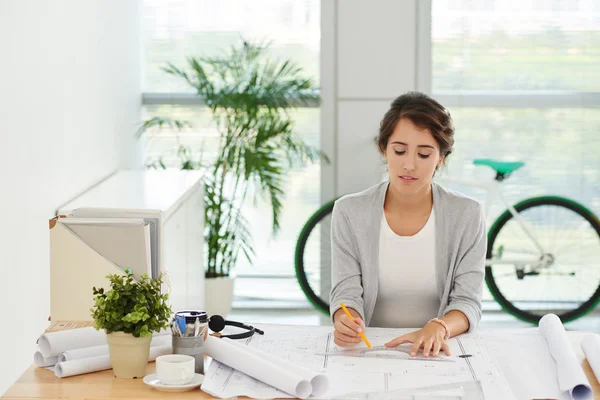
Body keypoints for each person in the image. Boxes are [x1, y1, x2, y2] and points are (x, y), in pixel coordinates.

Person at [330, 91, 486, 358]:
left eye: (424, 154)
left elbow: (468, 301)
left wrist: (439, 327)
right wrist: (346, 321)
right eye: (399, 151)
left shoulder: (467, 214)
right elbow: (346, 294)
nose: (409, 165)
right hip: (372, 353)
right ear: (384, 149)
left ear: (441, 158)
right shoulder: (349, 211)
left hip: (439, 349)